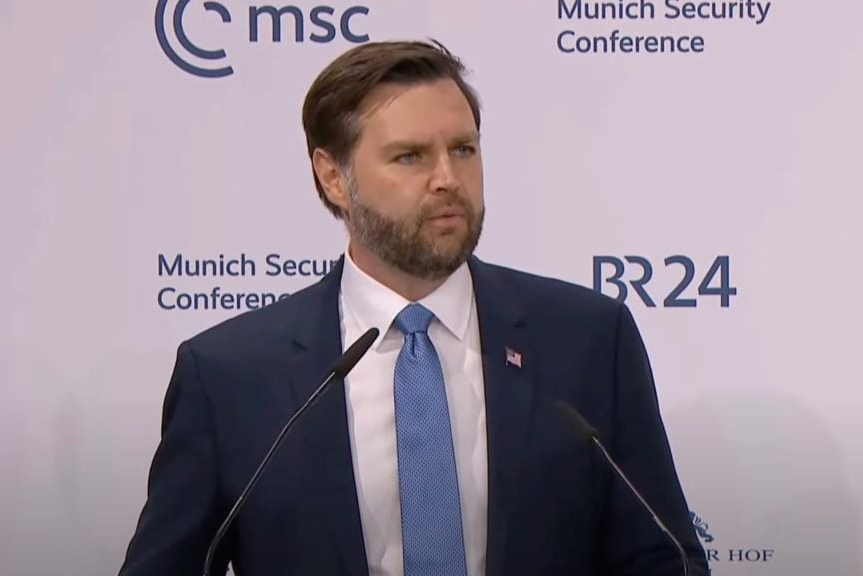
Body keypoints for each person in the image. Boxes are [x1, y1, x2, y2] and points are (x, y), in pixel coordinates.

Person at [118, 39, 709, 576]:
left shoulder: (586, 340)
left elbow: (663, 557)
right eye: (410, 157)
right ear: (333, 178)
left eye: (463, 149)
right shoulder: (229, 375)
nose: (448, 179)